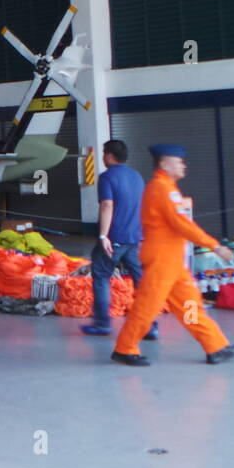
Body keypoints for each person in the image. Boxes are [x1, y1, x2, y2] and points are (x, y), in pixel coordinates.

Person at [112, 144, 234, 366]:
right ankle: (125, 348)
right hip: (162, 262)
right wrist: (215, 246)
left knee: (190, 304)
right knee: (147, 307)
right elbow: (182, 224)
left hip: (172, 263)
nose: (183, 165)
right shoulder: (162, 189)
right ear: (164, 164)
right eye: (178, 161)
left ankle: (214, 345)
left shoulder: (167, 187)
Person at [84, 139, 155, 338]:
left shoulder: (107, 177)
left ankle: (102, 324)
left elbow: (107, 206)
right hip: (135, 238)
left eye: (104, 154)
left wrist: (103, 236)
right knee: (141, 281)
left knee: (101, 277)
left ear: (108, 155)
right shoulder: (137, 177)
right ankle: (150, 325)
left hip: (114, 239)